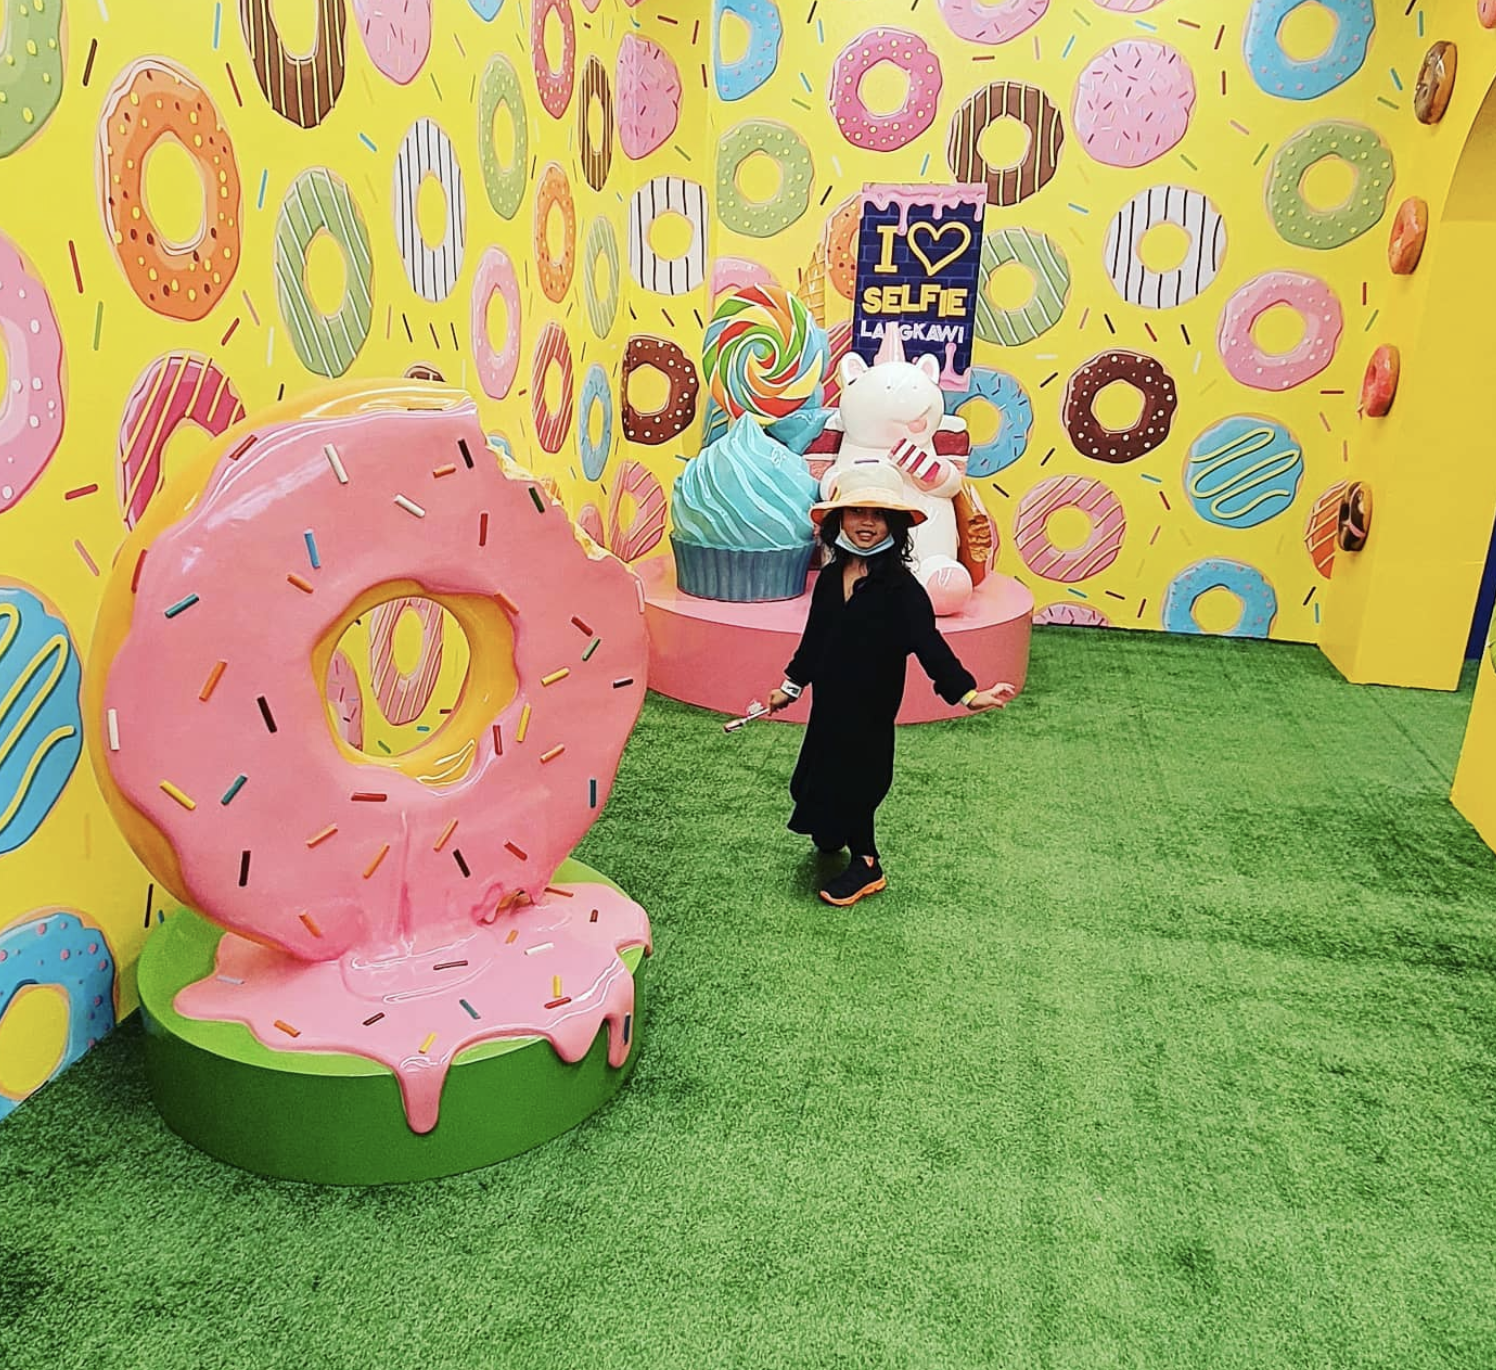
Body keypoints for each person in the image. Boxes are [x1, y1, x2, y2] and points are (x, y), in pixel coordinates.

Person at [766, 463, 1015, 907]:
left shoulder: (902, 590)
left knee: (859, 781)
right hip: (829, 703)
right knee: (816, 773)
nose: (867, 523)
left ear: (895, 526)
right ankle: (830, 830)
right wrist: (791, 686)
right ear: (839, 519)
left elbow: (930, 646)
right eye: (857, 512)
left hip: (871, 709)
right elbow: (815, 639)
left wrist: (968, 693)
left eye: (878, 515)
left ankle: (867, 863)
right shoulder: (830, 579)